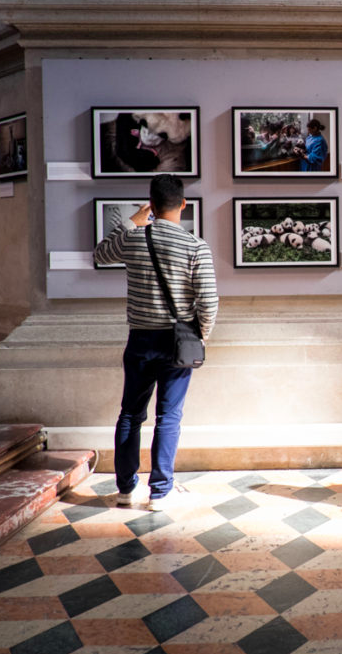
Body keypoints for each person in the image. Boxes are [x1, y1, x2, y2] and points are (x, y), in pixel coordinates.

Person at [93, 174, 218, 511]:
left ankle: (125, 489)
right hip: (178, 342)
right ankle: (160, 491)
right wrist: (200, 335)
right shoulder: (196, 246)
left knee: (131, 413)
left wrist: (133, 222)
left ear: (150, 203)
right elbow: (208, 302)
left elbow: (101, 254)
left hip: (139, 338)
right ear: (183, 204)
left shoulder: (134, 239)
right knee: (169, 416)